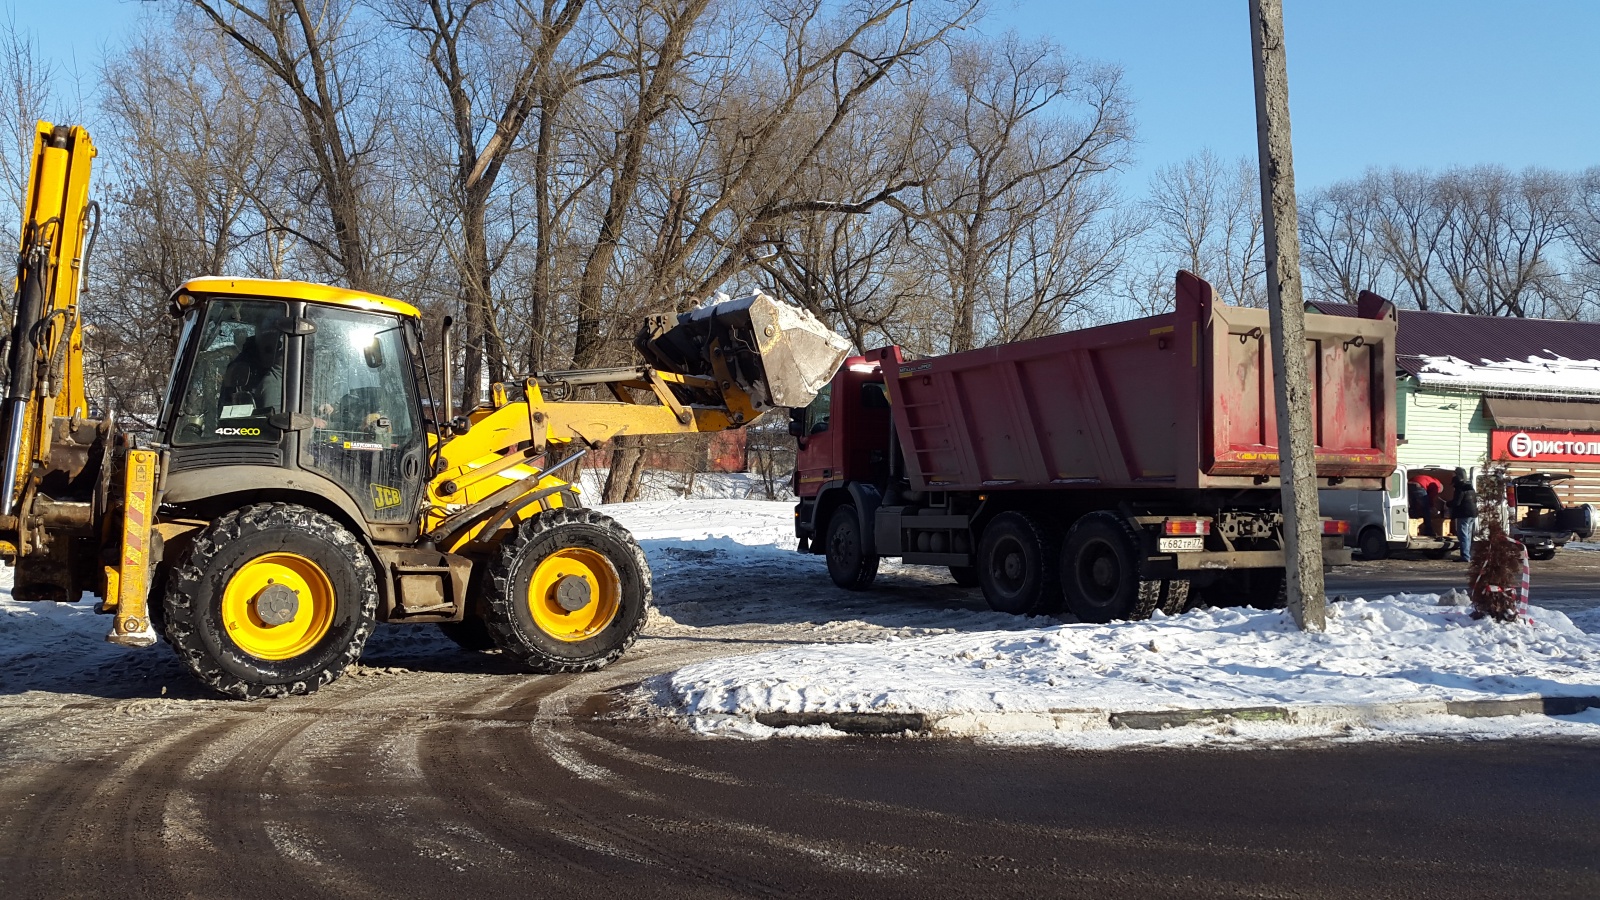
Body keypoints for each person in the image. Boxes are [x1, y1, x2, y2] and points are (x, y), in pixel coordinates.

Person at [1452, 468, 1478, 563]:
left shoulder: (1459, 488)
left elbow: (1457, 502)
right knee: (1468, 535)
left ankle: (1465, 556)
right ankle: (1467, 555)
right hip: (1473, 514)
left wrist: (1447, 504)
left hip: (1464, 514)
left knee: (1463, 535)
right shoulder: (1470, 487)